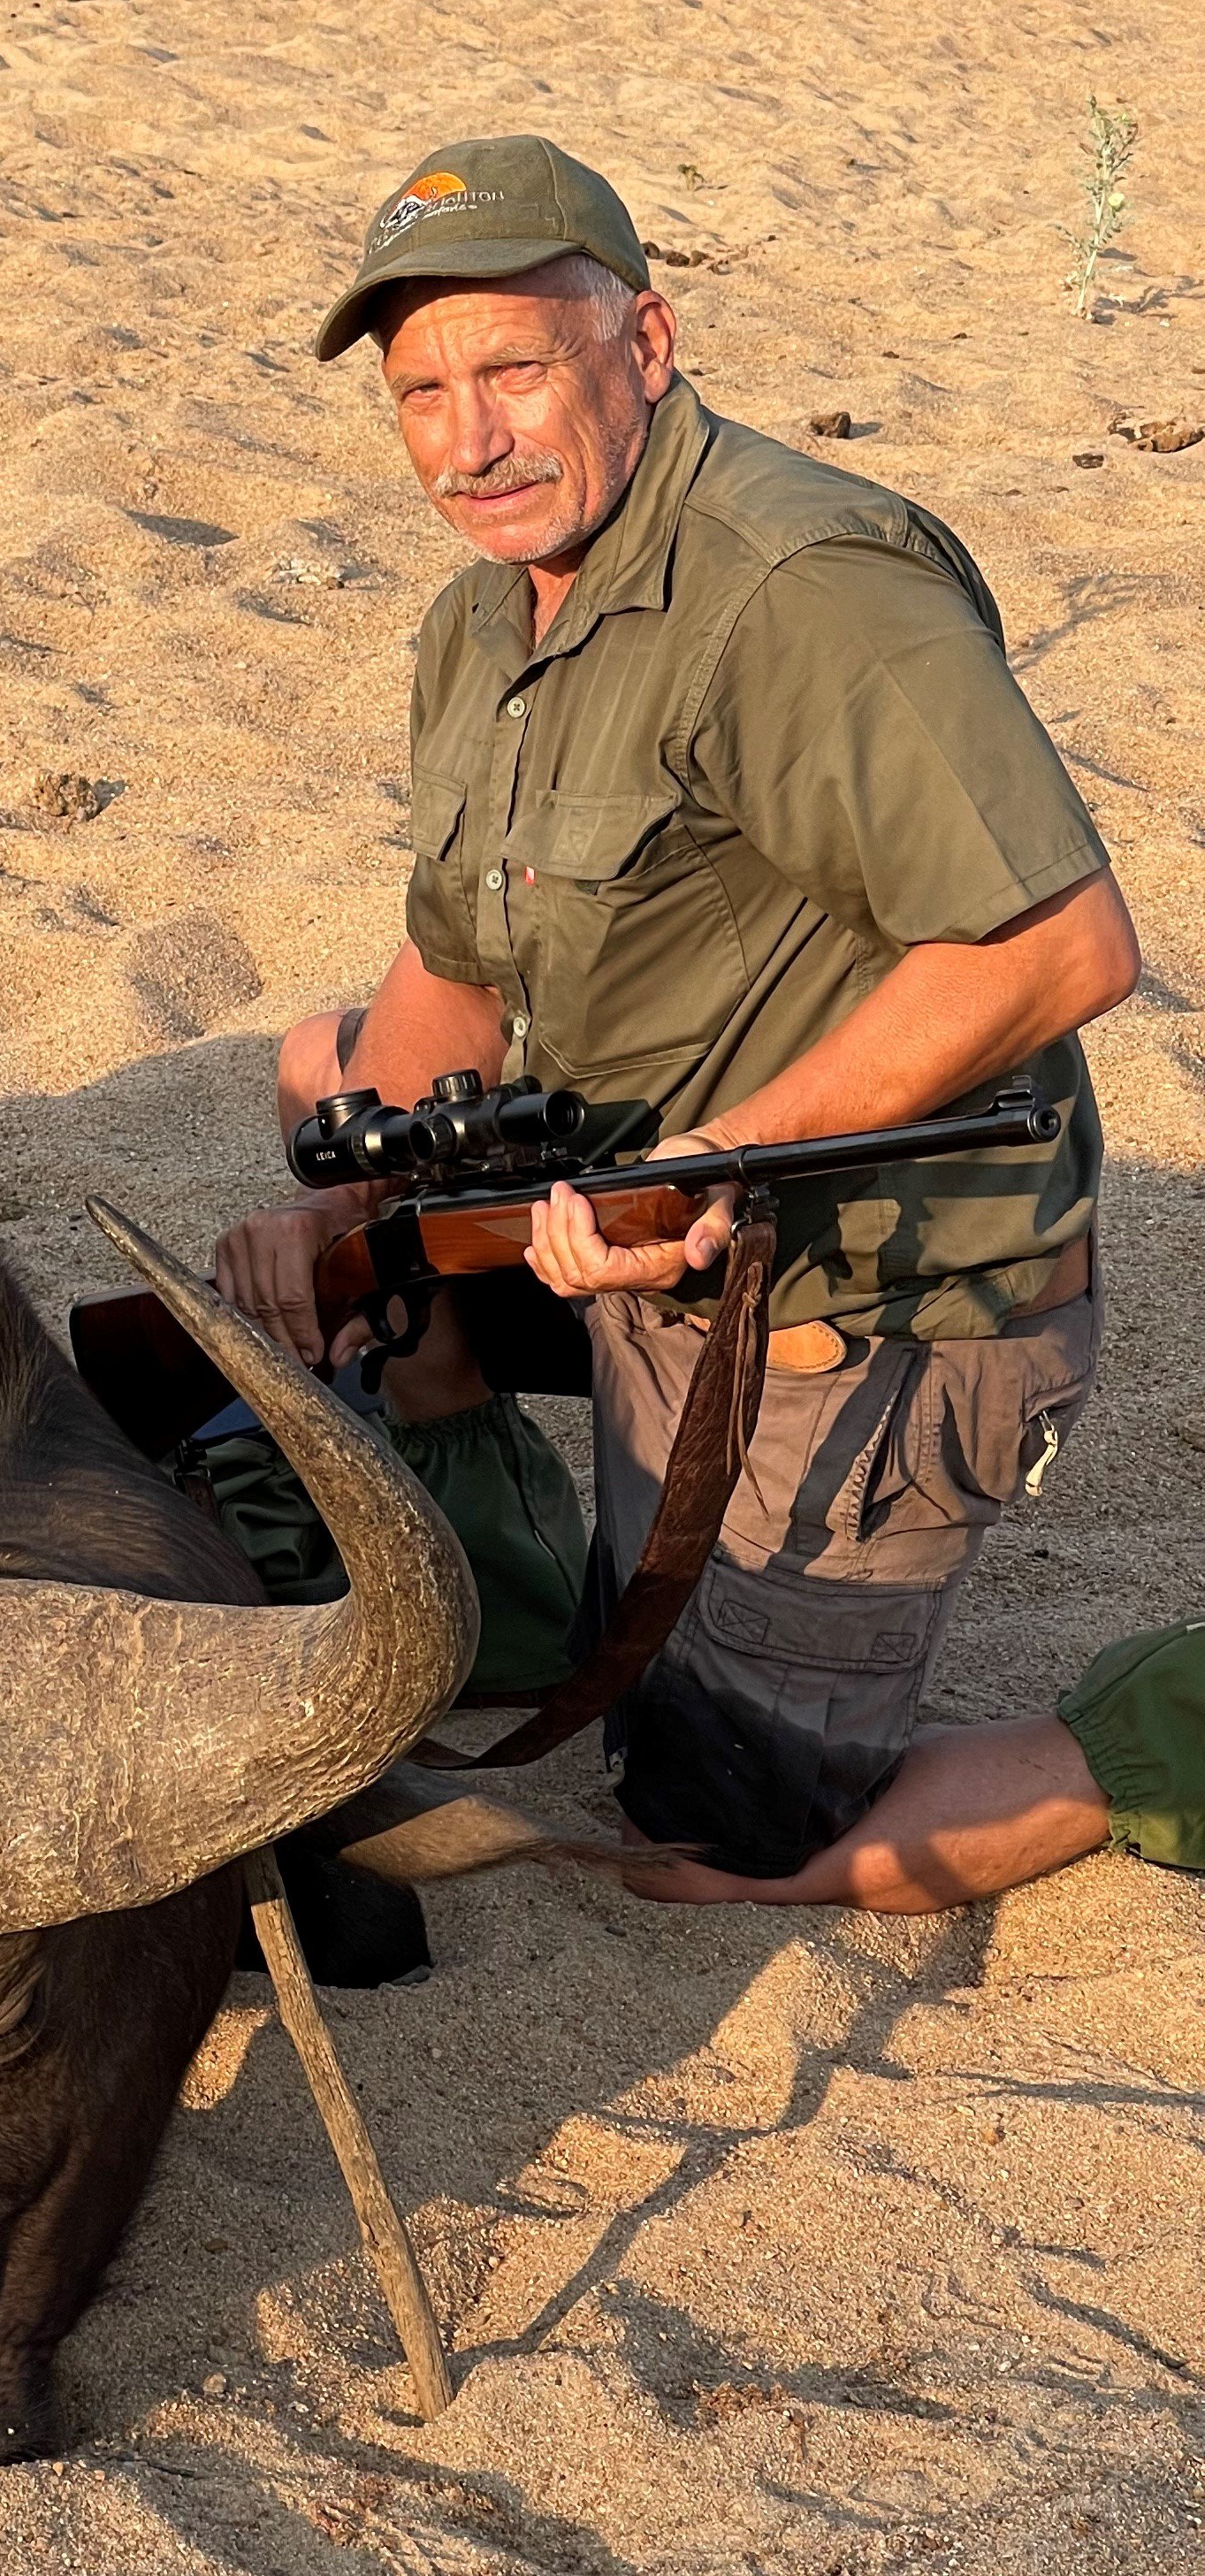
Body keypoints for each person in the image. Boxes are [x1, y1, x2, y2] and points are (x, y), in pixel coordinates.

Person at [213, 134, 1148, 1907]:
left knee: (716, 1840)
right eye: (421, 394)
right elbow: (454, 968)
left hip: (857, 1279)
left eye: (512, 373)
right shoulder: (478, 621)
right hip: (623, 1221)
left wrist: (731, 1156)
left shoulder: (804, 590)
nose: (467, 440)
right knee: (317, 1094)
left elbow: (1059, 948)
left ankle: (1167, 1721)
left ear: (643, 345)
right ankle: (485, 1529)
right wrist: (351, 1221)